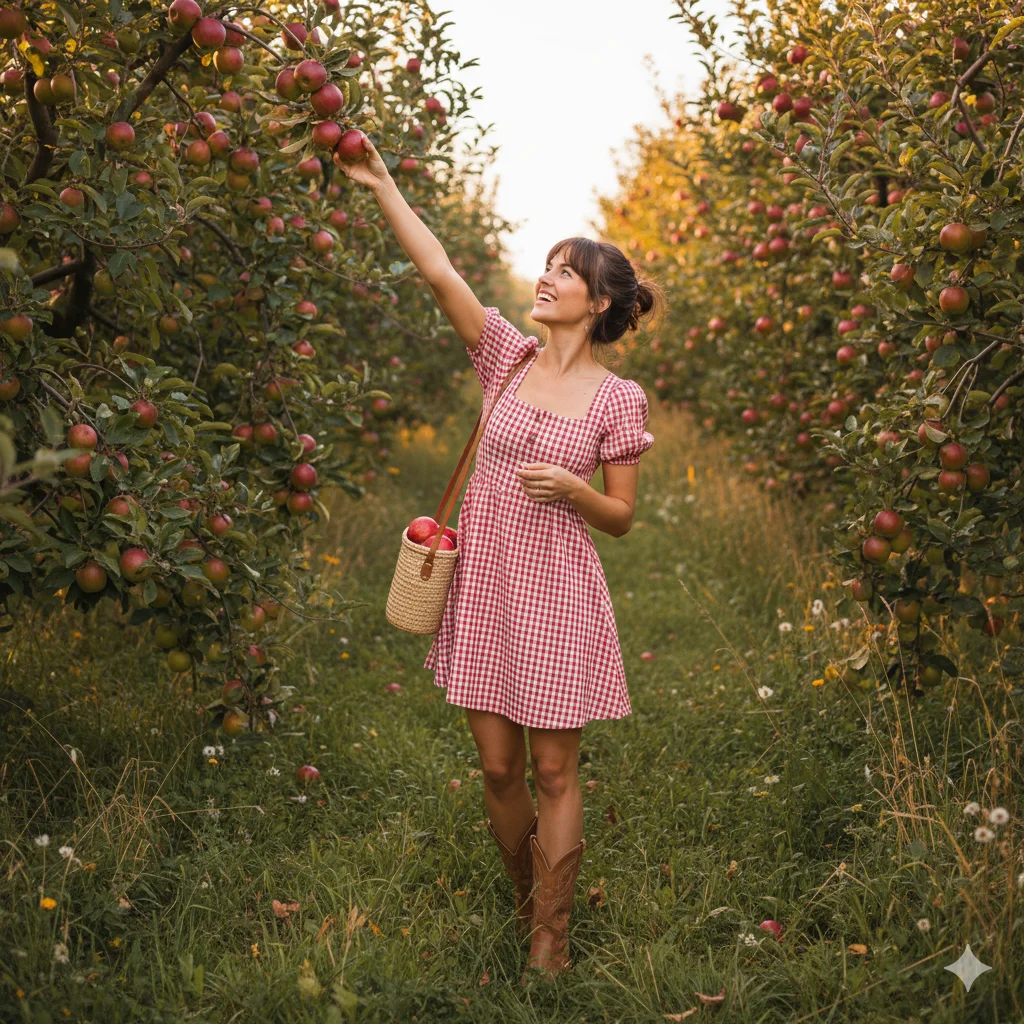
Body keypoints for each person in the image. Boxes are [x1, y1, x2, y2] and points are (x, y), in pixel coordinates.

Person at [336, 135, 662, 984]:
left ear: (596, 303)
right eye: (546, 264)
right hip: (485, 584)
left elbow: (622, 517)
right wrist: (380, 184)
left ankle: (549, 940)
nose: (545, 277)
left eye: (565, 270)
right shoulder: (506, 358)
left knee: (556, 768)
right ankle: (530, 899)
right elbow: (442, 272)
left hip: (557, 589)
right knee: (497, 765)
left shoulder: (617, 398)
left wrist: (575, 489)